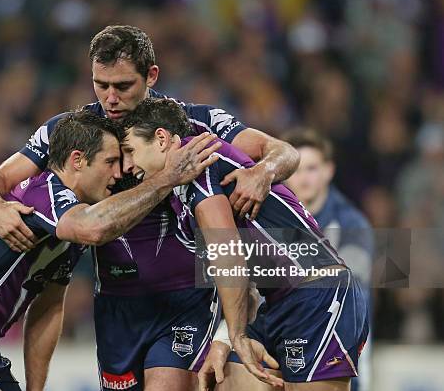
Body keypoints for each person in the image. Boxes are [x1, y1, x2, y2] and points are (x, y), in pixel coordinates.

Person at [0, 25, 300, 390]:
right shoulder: (70, 133)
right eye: (101, 84)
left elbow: (283, 151)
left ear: (151, 76)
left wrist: (262, 173)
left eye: (123, 86)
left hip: (185, 299)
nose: (110, 98)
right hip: (116, 302)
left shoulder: (190, 122)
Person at [0, 110, 220, 391]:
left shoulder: (69, 225)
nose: (119, 173)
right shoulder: (45, 191)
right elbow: (93, 227)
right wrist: (167, 178)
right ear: (77, 160)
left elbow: (47, 308)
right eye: (110, 162)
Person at [120, 98, 369, 391]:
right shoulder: (181, 192)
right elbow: (244, 279)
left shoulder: (200, 158)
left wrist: (236, 335)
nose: (126, 166)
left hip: (317, 294)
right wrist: (226, 340)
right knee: (225, 378)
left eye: (130, 151)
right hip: (277, 301)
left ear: (161, 139)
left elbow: (229, 256)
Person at [282, 128, 374, 391]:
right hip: (285, 337)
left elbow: (348, 289)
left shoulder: (353, 225)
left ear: (328, 171)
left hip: (340, 343)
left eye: (311, 168)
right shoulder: (267, 216)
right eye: (296, 169)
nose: (303, 178)